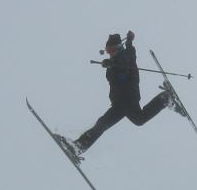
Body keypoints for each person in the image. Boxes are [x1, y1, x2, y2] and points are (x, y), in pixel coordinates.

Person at [56, 31, 185, 160]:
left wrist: (112, 66)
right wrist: (129, 43)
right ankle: (77, 147)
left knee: (124, 121)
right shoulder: (122, 56)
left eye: (111, 50)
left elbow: (123, 75)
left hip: (127, 100)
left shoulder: (122, 58)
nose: (109, 52)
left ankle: (165, 98)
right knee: (105, 123)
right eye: (107, 50)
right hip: (120, 102)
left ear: (117, 48)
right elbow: (130, 55)